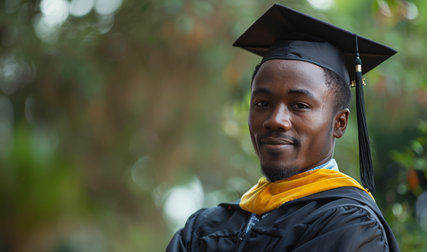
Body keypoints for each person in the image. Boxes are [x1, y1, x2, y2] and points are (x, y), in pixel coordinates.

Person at [167, 3, 399, 251]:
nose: (276, 120)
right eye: (263, 103)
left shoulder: (350, 224)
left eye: (299, 105)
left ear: (339, 123)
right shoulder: (204, 227)